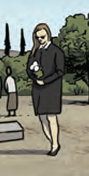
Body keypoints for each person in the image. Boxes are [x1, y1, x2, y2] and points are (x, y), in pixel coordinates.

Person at [26, 23, 65, 156]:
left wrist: (45, 80)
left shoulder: (56, 51)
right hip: (38, 89)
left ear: (48, 34)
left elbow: (60, 71)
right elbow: (28, 68)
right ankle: (53, 142)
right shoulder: (35, 51)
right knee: (42, 118)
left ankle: (55, 144)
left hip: (52, 88)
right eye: (38, 38)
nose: (40, 40)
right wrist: (34, 77)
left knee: (51, 117)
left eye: (43, 37)